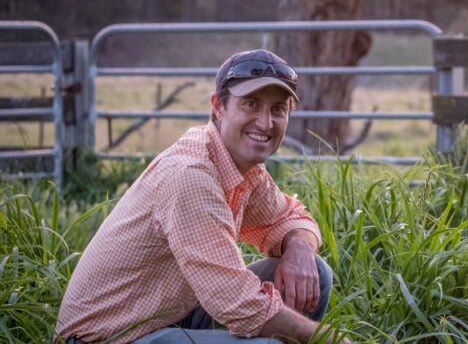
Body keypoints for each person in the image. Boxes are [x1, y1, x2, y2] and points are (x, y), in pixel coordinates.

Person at [57, 50, 350, 344]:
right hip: (107, 337)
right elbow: (235, 301)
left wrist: (299, 248)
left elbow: (289, 217)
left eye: (278, 109)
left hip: (169, 313)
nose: (265, 123)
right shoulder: (191, 174)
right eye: (251, 104)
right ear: (218, 107)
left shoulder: (241, 166)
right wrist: (328, 340)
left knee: (316, 273)